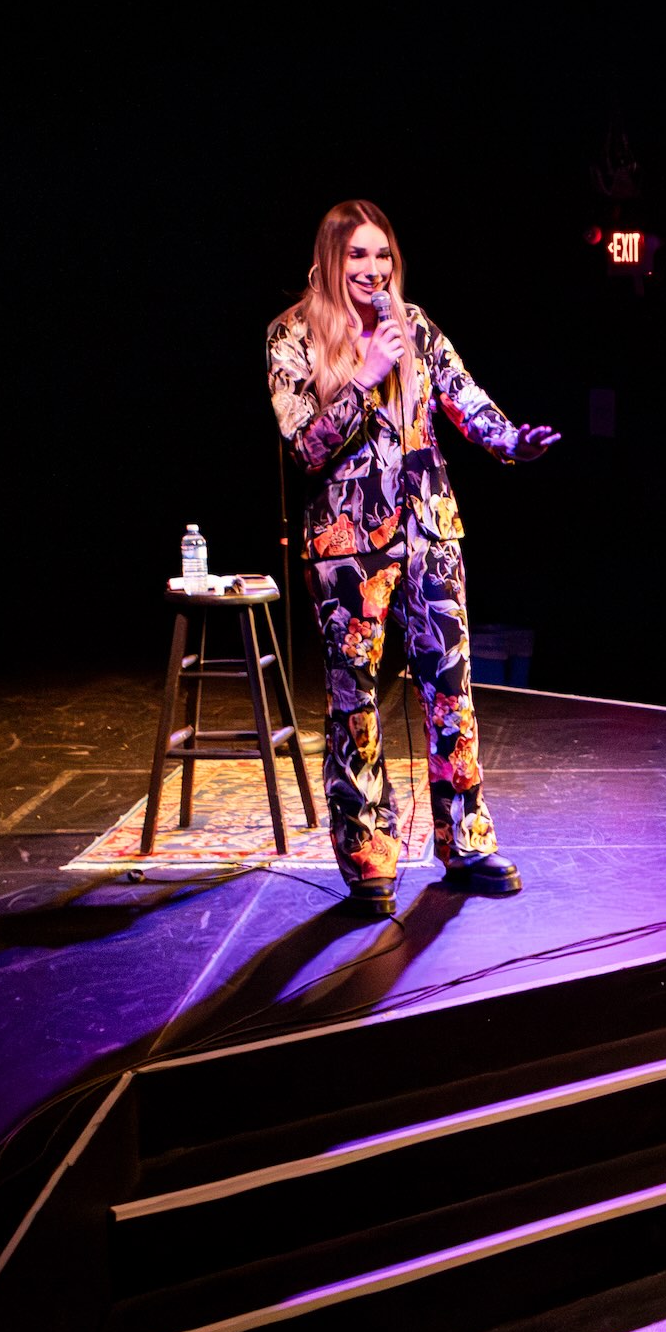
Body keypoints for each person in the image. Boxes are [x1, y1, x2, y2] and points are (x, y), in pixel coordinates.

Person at [264, 198, 561, 913]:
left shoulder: (415, 325)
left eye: (383, 255)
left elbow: (465, 400)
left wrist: (513, 440)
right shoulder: (292, 334)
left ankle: (466, 843)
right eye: (358, 255)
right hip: (346, 546)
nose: (372, 269)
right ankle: (368, 856)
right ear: (332, 259)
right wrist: (363, 376)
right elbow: (302, 443)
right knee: (354, 705)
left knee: (450, 693)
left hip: (431, 531)